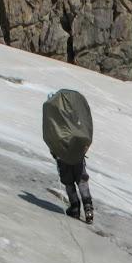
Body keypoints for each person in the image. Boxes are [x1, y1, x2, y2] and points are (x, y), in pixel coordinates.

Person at [41, 89, 95, 223]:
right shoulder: (72, 117)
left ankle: (75, 207)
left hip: (62, 155)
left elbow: (52, 136)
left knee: (69, 182)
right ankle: (88, 208)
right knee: (81, 179)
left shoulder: (55, 120)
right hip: (77, 153)